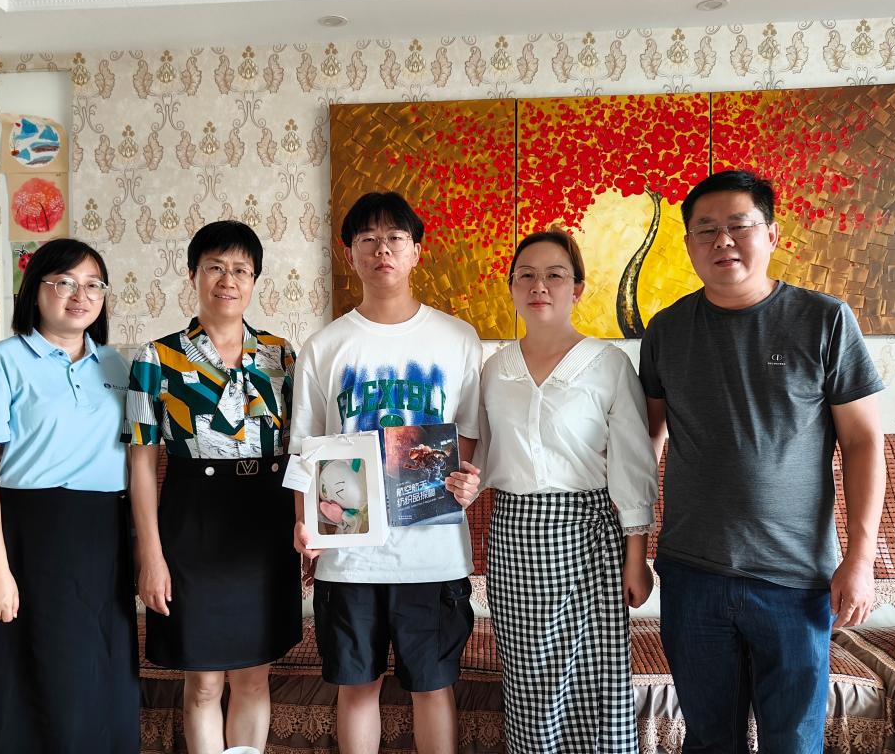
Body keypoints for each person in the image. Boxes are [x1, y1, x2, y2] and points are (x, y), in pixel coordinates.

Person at [639, 169, 886, 752]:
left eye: (739, 225)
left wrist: (861, 558)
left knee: (793, 742)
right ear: (689, 244)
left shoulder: (825, 320)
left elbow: (863, 443)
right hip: (692, 574)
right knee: (709, 740)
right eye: (706, 229)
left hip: (796, 580)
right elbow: (646, 442)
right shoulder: (667, 330)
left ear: (772, 234)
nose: (722, 240)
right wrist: (635, 545)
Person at [290, 191, 482, 754]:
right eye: (368, 239)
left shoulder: (457, 338)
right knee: (356, 688)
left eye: (395, 238)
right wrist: (303, 523)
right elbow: (304, 449)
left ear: (417, 251)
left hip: (433, 551)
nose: (382, 250)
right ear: (349, 253)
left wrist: (465, 479)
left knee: (434, 687)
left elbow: (470, 433)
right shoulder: (325, 346)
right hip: (350, 555)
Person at [0, 238, 138, 753]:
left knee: (102, 683)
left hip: (103, 539)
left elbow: (137, 463)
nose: (81, 295)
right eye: (65, 283)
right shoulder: (0, 363)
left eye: (93, 285)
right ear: (35, 290)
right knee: (32, 688)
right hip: (29, 541)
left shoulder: (117, 367)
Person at [477, 230, 656, 752]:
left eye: (555, 275)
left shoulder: (608, 364)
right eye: (527, 276)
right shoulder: (494, 369)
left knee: (594, 682)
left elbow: (631, 464)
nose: (540, 286)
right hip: (513, 537)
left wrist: (636, 558)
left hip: (589, 539)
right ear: (511, 287)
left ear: (577, 288)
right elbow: (480, 454)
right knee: (528, 680)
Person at [125, 220, 300, 754]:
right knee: (203, 682)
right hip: (192, 524)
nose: (228, 280)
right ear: (193, 274)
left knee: (254, 677)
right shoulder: (156, 359)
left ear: (255, 280)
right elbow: (140, 463)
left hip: (264, 525)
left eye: (241, 270)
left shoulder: (281, 355)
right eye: (215, 268)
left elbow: (302, 450)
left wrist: (307, 526)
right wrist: (150, 556)